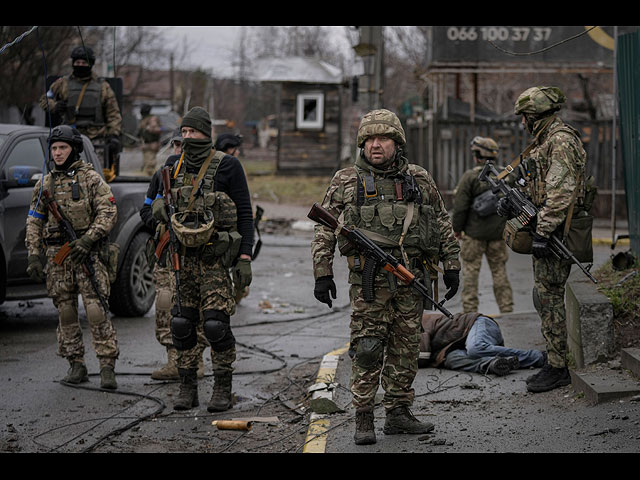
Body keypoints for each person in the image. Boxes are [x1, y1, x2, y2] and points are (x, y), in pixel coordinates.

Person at [311, 108, 461, 445]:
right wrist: (322, 273)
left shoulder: (418, 178)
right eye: (369, 139)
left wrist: (452, 264)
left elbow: (440, 221)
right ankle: (363, 416)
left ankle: (398, 413)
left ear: (397, 142)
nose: (375, 145)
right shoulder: (346, 179)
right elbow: (324, 230)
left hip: (411, 281)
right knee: (367, 348)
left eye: (383, 138)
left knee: (406, 349)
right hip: (370, 284)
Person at [151, 106, 254, 412]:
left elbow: (245, 214)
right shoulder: (172, 166)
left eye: (192, 132)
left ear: (205, 133)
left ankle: (222, 387)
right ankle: (187, 387)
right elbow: (156, 202)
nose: (187, 137)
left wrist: (245, 256)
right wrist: (158, 208)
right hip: (181, 261)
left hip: (215, 260)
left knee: (215, 325)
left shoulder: (228, 166)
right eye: (183, 133)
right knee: (182, 324)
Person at [498, 86, 587, 393]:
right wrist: (514, 202)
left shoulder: (560, 141)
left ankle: (558, 367)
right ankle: (554, 360)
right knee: (544, 297)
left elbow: (561, 194)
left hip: (558, 232)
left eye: (524, 116)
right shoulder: (546, 141)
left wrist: (543, 231)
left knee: (548, 298)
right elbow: (539, 189)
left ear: (533, 116)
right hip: (550, 227)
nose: (522, 122)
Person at [25, 125, 119, 389]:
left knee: (95, 310)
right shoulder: (45, 184)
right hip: (58, 257)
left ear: (73, 149)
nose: (57, 153)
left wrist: (89, 238)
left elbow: (108, 212)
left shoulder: (91, 180)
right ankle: (75, 363)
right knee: (65, 311)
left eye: (62, 147)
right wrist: (33, 254)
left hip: (86, 254)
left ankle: (107, 365)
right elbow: (34, 220)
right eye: (54, 148)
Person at [140, 131, 207, 381]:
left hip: (191, 251)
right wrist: (159, 222)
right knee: (165, 303)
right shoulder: (162, 174)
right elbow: (145, 208)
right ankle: (172, 360)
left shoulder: (200, 176)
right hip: (166, 251)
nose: (179, 149)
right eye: (176, 145)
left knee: (193, 306)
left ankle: (196, 360)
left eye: (184, 145)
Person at [452, 136, 514, 314]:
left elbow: (460, 207)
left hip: (474, 235)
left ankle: (470, 313)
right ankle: (507, 309)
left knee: (470, 274)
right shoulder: (506, 176)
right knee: (500, 272)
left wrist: (457, 229)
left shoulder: (471, 177)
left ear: (478, 155)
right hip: (498, 235)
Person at [39, 46, 122, 178]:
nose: (80, 65)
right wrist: (54, 106)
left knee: (95, 176)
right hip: (69, 138)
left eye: (84, 63)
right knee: (66, 175)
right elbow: (44, 99)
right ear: (73, 63)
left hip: (96, 139)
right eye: (77, 63)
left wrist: (114, 135)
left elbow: (113, 113)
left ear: (91, 64)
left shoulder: (102, 86)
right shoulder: (62, 83)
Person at [418, 312, 545, 375]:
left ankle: (538, 357)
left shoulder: (417, 320)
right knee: (452, 360)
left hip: (477, 324)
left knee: (475, 348)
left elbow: (423, 354)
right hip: (456, 347)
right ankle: (493, 363)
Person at [138, 104, 162, 176]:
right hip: (147, 145)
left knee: (150, 165)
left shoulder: (151, 119)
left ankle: (154, 179)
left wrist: (149, 129)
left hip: (151, 144)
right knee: (148, 164)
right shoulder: (145, 119)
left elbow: (157, 129)